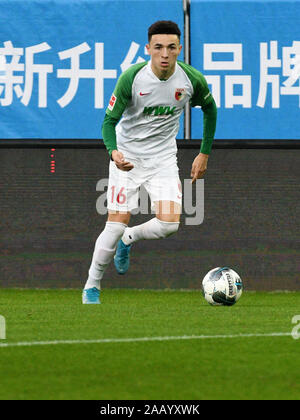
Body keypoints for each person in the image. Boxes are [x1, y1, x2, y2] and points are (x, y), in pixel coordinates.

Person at [82, 20, 217, 304]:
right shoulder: (132, 78)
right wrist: (113, 152)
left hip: (163, 160)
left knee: (170, 224)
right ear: (148, 49)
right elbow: (108, 122)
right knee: (115, 224)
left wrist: (204, 152)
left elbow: (210, 109)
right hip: (127, 159)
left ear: (180, 48)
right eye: (158, 47)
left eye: (171, 47)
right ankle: (92, 286)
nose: (165, 54)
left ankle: (129, 239)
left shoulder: (191, 80)